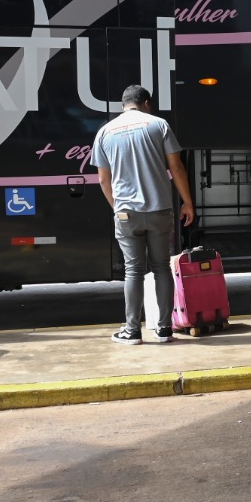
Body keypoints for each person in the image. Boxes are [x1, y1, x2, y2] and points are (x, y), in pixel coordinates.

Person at [92, 85, 196, 345]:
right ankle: (163, 330)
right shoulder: (158, 125)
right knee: (161, 267)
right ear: (146, 103)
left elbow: (104, 180)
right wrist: (187, 203)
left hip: (127, 212)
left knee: (133, 271)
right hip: (160, 209)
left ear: (123, 105)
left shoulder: (105, 132)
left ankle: (132, 331)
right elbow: (177, 168)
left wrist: (118, 208)